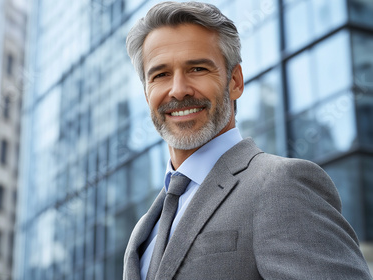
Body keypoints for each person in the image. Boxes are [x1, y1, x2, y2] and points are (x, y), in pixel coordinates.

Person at [122, 2, 373, 280]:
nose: (178, 90)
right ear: (147, 94)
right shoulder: (144, 229)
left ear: (235, 81)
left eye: (197, 69)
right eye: (161, 75)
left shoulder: (281, 184)